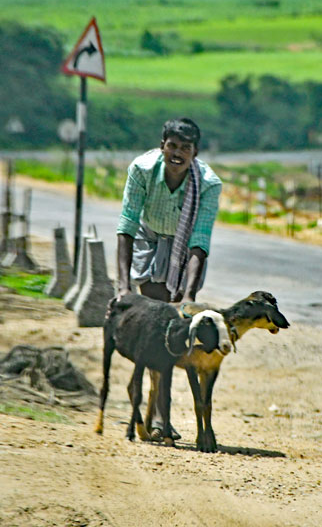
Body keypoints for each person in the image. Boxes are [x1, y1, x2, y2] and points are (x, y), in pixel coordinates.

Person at [116, 117, 222, 440]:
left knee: (177, 333)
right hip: (149, 242)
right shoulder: (141, 170)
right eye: (172, 146)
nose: (178, 154)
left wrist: (188, 296)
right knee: (158, 327)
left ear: (195, 152)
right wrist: (122, 286)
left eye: (185, 149)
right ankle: (161, 413)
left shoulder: (208, 184)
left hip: (185, 251)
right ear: (162, 145)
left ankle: (159, 412)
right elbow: (127, 228)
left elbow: (199, 241)